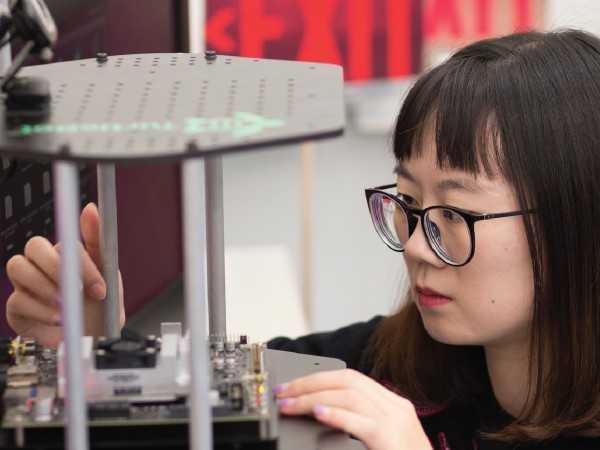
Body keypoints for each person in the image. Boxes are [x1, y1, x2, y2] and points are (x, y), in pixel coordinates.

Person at [6, 29, 600, 449]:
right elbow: (226, 391)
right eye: (409, 204)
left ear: (576, 221)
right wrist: (102, 347)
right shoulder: (407, 363)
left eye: (456, 213)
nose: (417, 246)